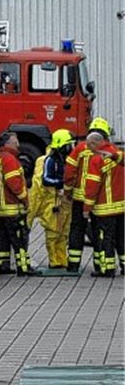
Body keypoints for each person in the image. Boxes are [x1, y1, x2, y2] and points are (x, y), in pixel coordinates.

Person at [64, 117, 112, 272]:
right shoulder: (106, 150)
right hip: (98, 199)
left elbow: (69, 171)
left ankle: (73, 264)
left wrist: (68, 190)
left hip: (79, 197)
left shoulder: (79, 148)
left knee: (77, 229)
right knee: (98, 230)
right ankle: (99, 264)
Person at [27, 129, 74, 270]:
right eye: (68, 145)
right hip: (53, 202)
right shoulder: (50, 161)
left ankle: (62, 259)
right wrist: (61, 183)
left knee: (64, 232)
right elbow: (46, 180)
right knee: (53, 232)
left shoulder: (64, 160)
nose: (70, 148)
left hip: (64, 201)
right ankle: (54, 260)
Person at [0, 131, 34, 275]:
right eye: (15, 143)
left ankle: (2, 266)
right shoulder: (10, 160)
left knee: (2, 240)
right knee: (19, 239)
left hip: (1, 208)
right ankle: (24, 267)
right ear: (8, 144)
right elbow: (15, 184)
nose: (18, 145)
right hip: (12, 209)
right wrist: (25, 200)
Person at [83, 131, 124, 277]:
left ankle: (107, 268)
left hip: (104, 207)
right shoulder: (117, 153)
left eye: (89, 146)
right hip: (121, 206)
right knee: (121, 237)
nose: (88, 149)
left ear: (94, 143)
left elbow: (92, 186)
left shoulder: (96, 159)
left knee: (106, 238)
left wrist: (86, 208)